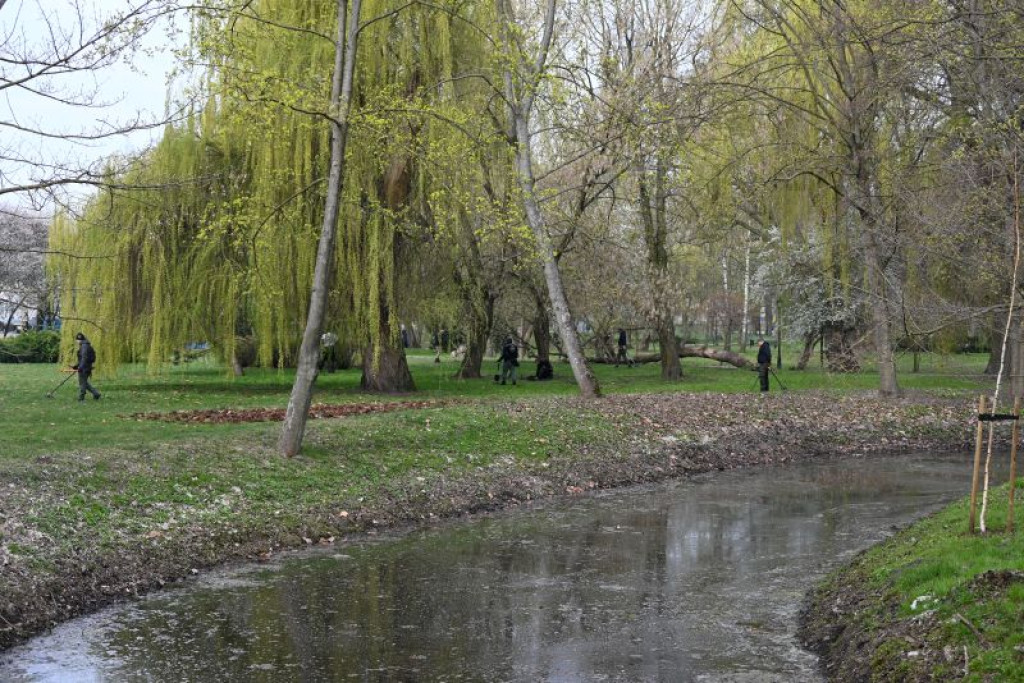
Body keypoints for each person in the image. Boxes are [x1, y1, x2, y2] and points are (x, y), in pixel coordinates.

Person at [71, 332, 101, 401]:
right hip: (87, 367)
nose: (76, 342)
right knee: (84, 382)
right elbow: (82, 359)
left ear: (79, 340)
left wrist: (80, 367)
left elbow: (84, 358)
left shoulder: (84, 346)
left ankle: (81, 398)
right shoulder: (86, 345)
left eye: (77, 340)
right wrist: (76, 366)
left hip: (84, 368)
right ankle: (96, 394)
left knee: (82, 383)